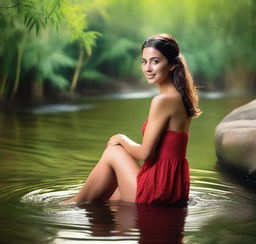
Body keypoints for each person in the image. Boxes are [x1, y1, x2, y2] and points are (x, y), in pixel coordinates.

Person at [63, 33, 201, 205]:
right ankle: (82, 202)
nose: (148, 68)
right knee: (113, 195)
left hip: (159, 191)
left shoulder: (163, 101)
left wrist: (121, 138)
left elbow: (146, 153)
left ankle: (72, 203)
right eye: (144, 61)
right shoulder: (180, 97)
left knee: (114, 152)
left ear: (172, 64)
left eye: (155, 61)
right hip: (173, 188)